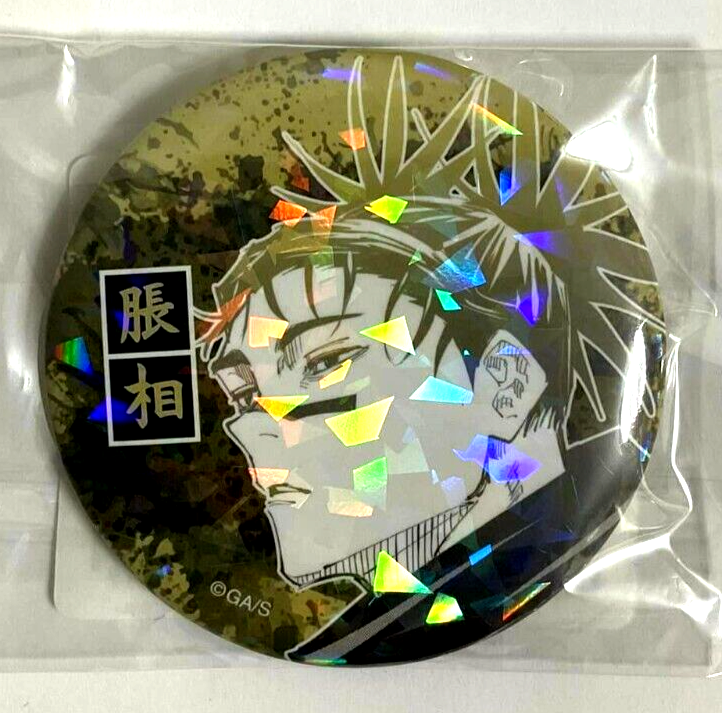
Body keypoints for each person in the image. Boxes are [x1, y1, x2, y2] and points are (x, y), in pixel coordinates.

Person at [196, 54, 663, 662]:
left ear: (505, 383)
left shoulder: (474, 597)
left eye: (323, 363)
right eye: (242, 394)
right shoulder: (384, 625)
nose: (251, 426)